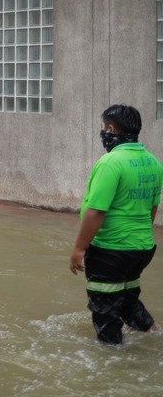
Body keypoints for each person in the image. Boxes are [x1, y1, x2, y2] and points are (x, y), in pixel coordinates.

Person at [69, 104, 163, 344]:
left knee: (105, 310)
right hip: (141, 248)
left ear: (110, 129)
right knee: (127, 300)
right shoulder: (153, 162)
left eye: (103, 128)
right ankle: (155, 334)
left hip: (110, 251)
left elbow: (96, 212)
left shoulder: (110, 162)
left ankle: (113, 361)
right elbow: (152, 208)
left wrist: (79, 248)